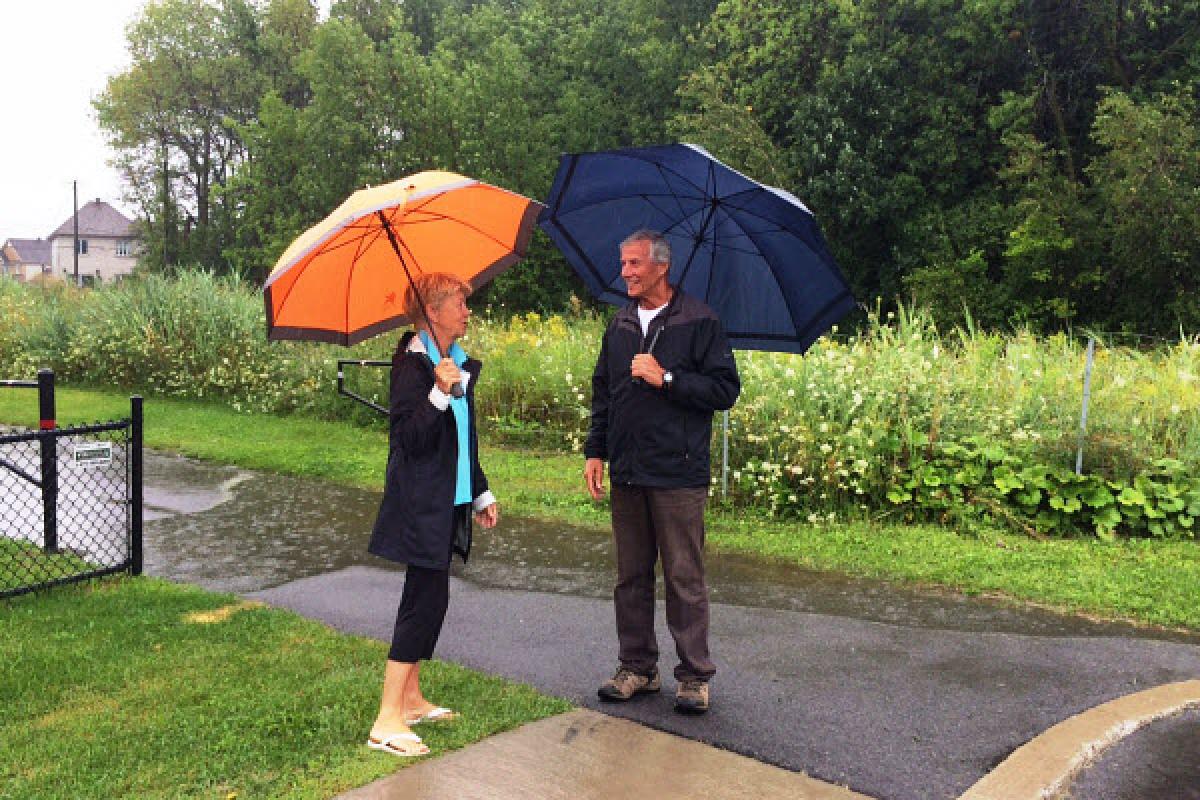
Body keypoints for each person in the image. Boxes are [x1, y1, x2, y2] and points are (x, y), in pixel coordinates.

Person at [584, 229, 740, 714]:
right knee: (630, 576)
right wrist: (596, 450)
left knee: (683, 577)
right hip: (628, 470)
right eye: (623, 263)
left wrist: (666, 377)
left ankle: (694, 676)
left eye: (633, 264)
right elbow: (603, 390)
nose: (625, 272)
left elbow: (724, 391)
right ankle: (637, 668)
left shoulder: (699, 321)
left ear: (660, 266)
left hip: (678, 472)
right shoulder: (621, 323)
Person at [366, 272, 499, 757]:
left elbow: (462, 438)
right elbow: (409, 440)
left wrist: (480, 492)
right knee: (422, 600)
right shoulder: (412, 366)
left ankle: (413, 699)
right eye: (458, 303)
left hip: (450, 498)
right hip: (421, 501)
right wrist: (438, 394)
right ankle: (386, 718)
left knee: (433, 598)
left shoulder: (454, 362)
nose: (467, 311)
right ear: (432, 312)